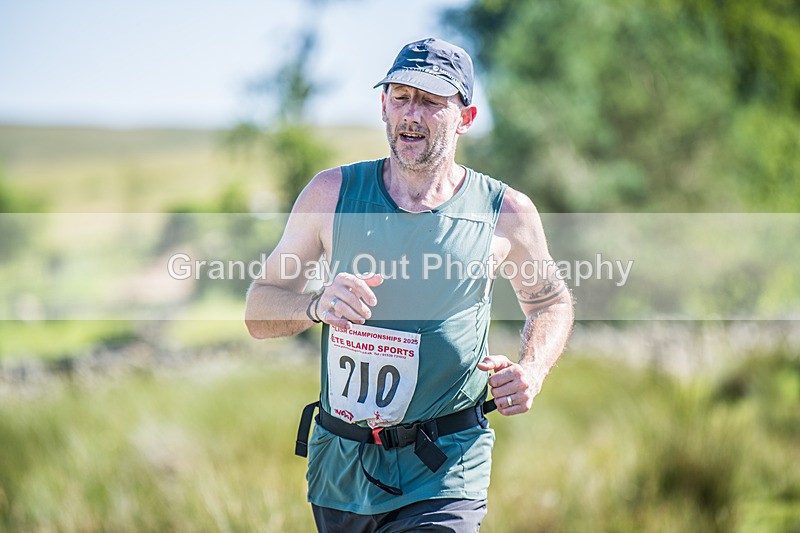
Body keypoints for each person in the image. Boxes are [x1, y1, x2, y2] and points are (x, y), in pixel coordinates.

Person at [245, 37, 573, 533]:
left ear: (465, 116)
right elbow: (258, 312)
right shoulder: (330, 194)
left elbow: (550, 303)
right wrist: (316, 305)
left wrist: (533, 369)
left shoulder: (505, 212)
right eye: (400, 97)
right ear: (383, 106)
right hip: (343, 469)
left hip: (446, 467)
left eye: (430, 102)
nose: (411, 115)